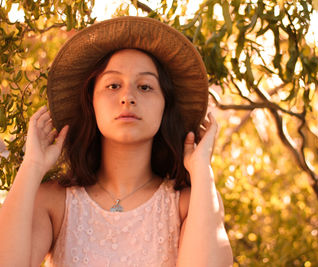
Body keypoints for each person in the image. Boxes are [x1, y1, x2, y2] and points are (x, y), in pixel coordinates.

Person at [0, 16, 233, 266]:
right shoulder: (52, 201)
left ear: (165, 107)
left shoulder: (189, 203)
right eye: (113, 85)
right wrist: (32, 166)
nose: (127, 97)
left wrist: (201, 170)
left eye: (145, 87)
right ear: (91, 103)